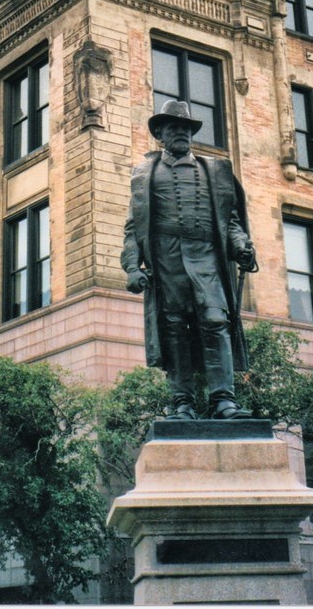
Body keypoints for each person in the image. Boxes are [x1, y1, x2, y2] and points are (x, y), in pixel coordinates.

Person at [121, 99, 257, 420]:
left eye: (186, 128)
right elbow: (134, 227)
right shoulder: (144, 174)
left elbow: (229, 221)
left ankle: (224, 400)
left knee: (216, 323)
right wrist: (132, 267)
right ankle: (182, 403)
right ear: (160, 134)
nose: (182, 132)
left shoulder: (215, 170)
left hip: (206, 258)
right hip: (167, 261)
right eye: (174, 127)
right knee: (174, 330)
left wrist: (241, 245)